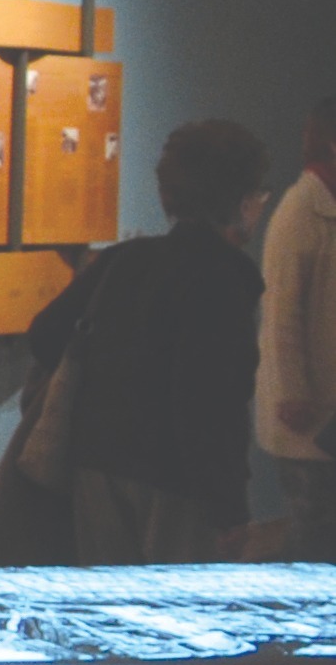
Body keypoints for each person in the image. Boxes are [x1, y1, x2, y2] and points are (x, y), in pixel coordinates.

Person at [30, 116, 267, 563]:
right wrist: (230, 508)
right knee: (180, 617)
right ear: (240, 201)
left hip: (97, 463)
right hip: (177, 481)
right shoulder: (223, 279)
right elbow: (210, 405)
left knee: (111, 615)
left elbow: (44, 335)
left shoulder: (125, 260)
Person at [259, 96, 336, 559]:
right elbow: (281, 311)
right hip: (309, 420)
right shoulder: (301, 211)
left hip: (326, 413)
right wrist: (293, 394)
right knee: (316, 538)